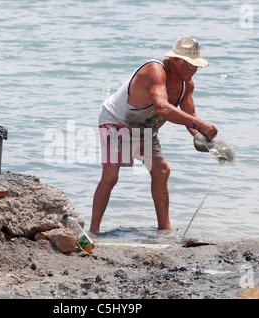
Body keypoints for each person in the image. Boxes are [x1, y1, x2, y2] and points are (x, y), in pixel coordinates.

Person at [90, 37, 218, 232]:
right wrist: (200, 124)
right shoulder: (155, 70)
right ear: (176, 60)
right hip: (116, 121)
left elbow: (191, 117)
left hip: (144, 128)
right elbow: (162, 108)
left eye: (196, 66)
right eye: (190, 65)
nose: (194, 70)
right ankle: (93, 231)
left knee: (162, 171)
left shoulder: (187, 85)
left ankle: (164, 230)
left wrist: (205, 139)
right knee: (111, 177)